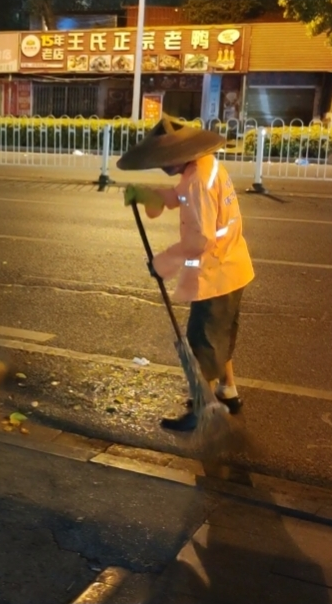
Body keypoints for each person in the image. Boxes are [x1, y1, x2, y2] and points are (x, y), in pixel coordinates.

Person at [118, 116, 254, 431]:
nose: (163, 167)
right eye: (159, 162)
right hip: (233, 267)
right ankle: (227, 391)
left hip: (216, 273)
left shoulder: (197, 182)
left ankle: (201, 410)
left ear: (182, 153)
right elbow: (180, 196)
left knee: (202, 342)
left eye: (167, 160)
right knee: (221, 336)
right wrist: (148, 195)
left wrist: (162, 263)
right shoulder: (206, 166)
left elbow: (199, 240)